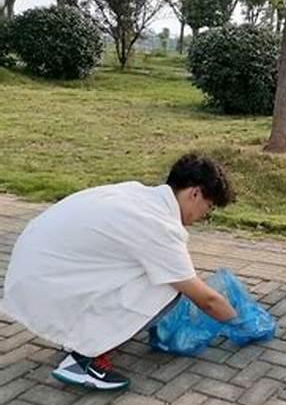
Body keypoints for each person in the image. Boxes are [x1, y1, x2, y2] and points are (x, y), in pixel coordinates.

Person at [2, 153, 238, 390]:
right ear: (194, 193)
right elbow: (206, 300)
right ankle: (80, 363)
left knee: (151, 273)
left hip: (38, 266)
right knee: (168, 288)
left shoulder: (141, 195)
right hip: (46, 279)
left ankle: (81, 338)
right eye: (208, 208)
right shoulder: (158, 225)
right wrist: (241, 322)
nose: (204, 216)